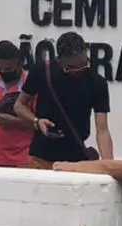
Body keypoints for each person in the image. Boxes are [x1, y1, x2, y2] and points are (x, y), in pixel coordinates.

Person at [15, 31, 113, 166]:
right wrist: (37, 121)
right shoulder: (41, 71)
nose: (78, 71)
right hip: (41, 157)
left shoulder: (97, 82)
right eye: (71, 68)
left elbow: (102, 130)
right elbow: (19, 105)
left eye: (83, 65)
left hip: (76, 159)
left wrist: (109, 165)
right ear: (59, 60)